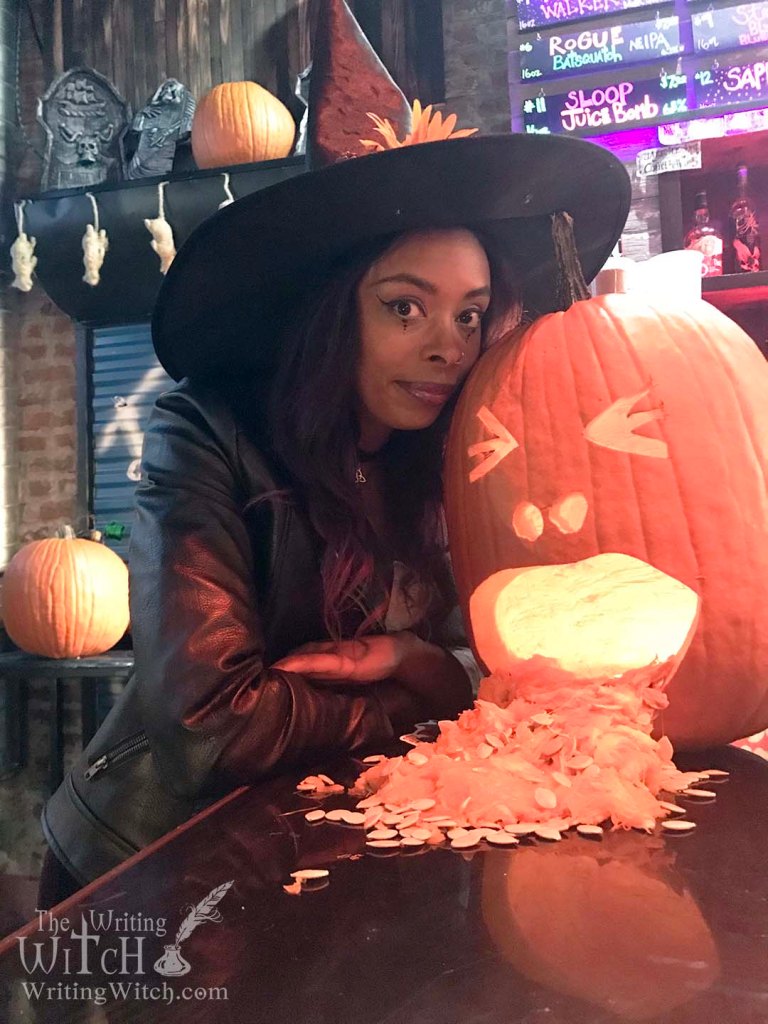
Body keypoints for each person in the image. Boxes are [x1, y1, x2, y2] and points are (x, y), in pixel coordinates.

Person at [38, 26, 630, 905]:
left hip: (342, 856)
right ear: (331, 315)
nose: (448, 349)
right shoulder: (203, 432)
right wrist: (420, 692)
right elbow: (207, 724)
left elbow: (511, 662)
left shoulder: (459, 457)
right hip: (156, 866)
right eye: (405, 308)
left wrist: (419, 660)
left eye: (470, 317)